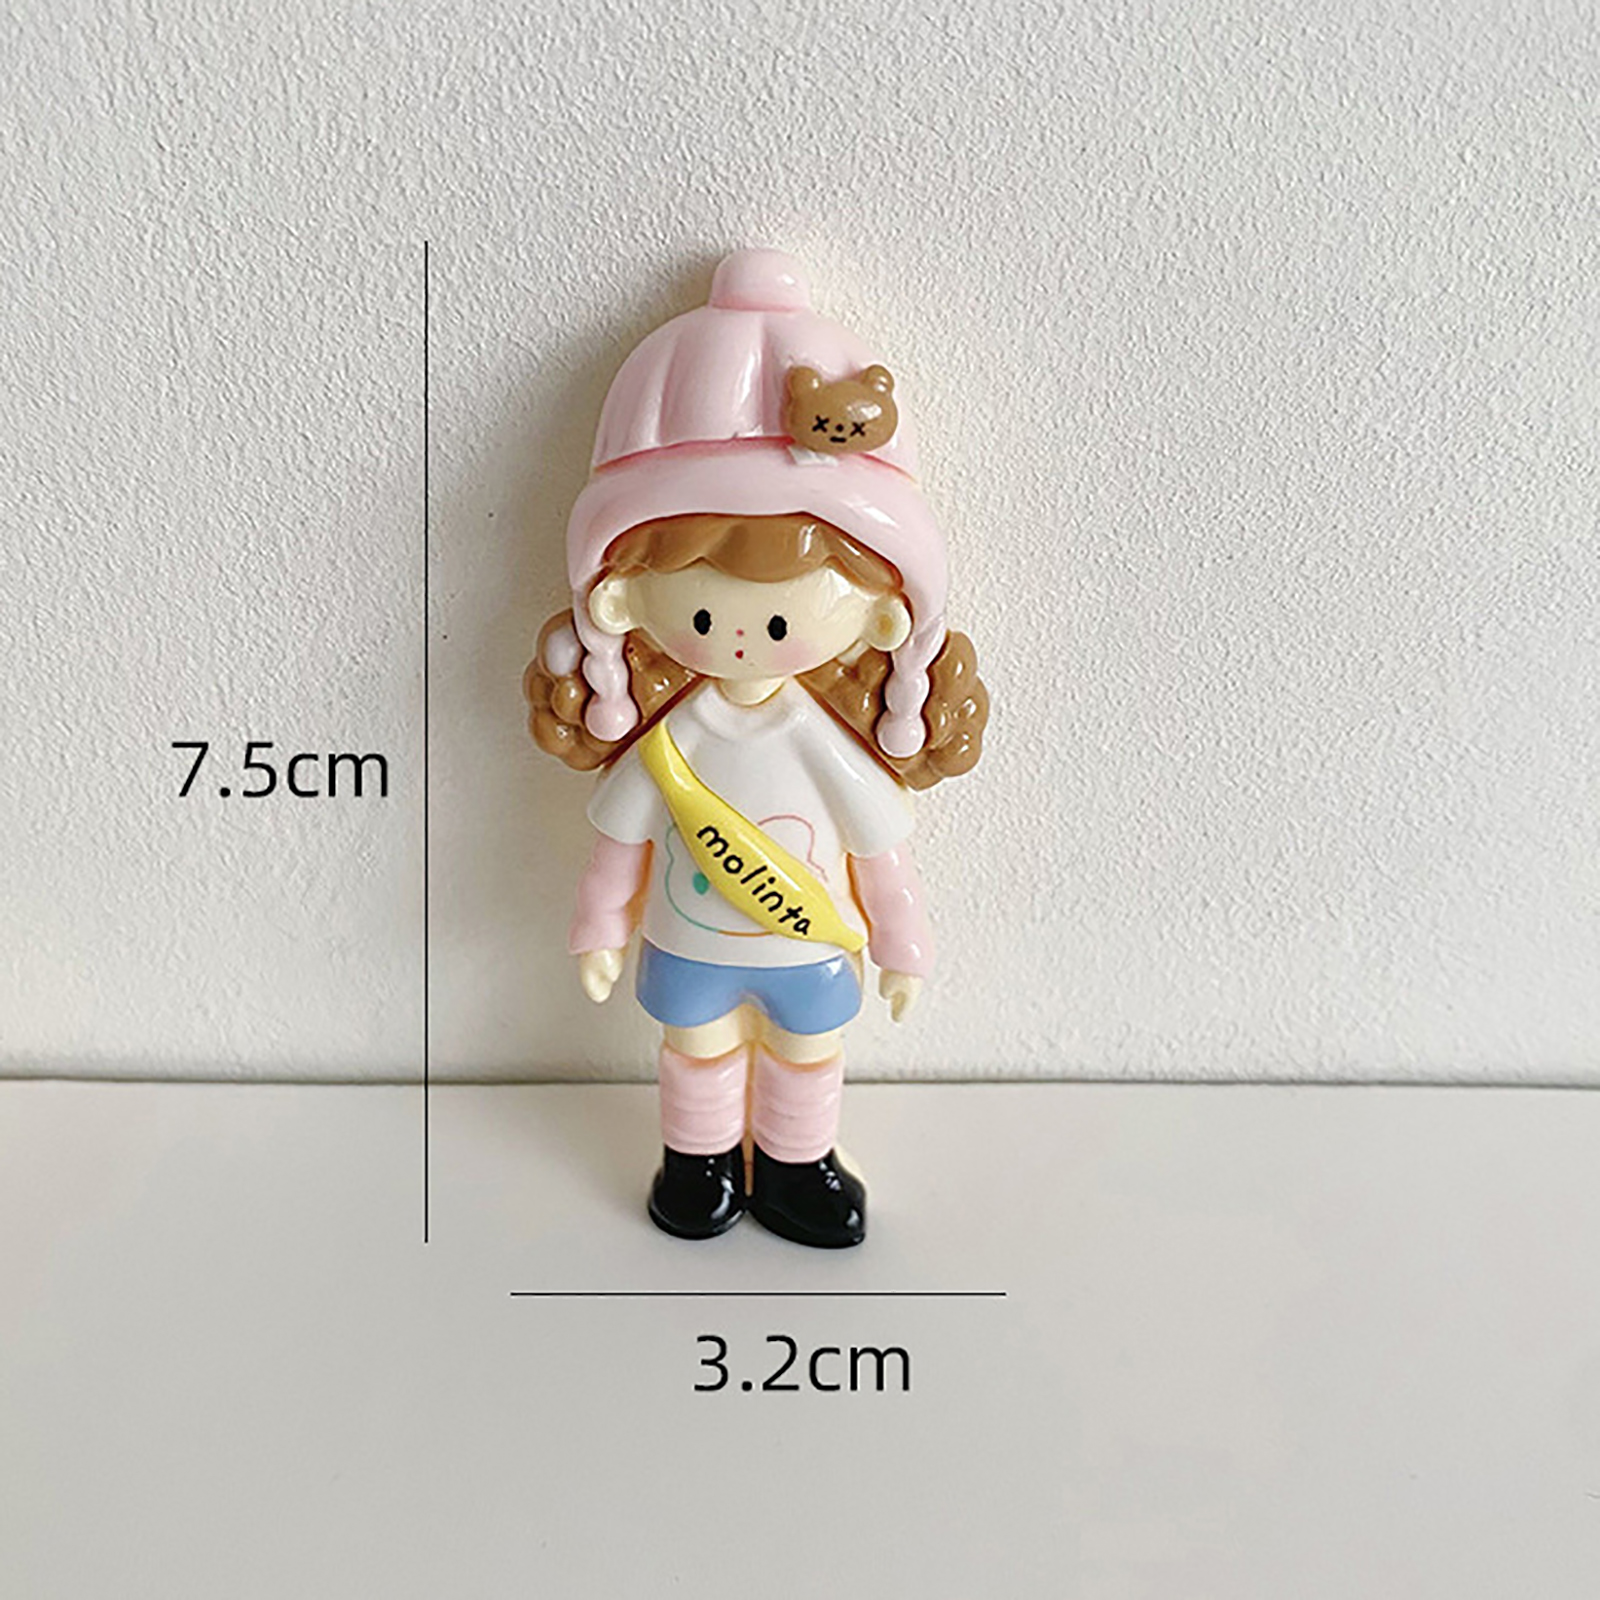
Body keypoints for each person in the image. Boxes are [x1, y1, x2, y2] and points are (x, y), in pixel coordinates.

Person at [525, 249, 989, 1247]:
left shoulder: (824, 746)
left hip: (806, 948)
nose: (739, 637)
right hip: (687, 947)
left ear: (879, 615)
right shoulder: (670, 741)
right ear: (622, 601)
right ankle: (695, 1164)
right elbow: (618, 849)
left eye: (780, 618)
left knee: (807, 1053)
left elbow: (881, 859)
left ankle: (794, 1166)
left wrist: (902, 944)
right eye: (701, 609)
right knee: (693, 1050)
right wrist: (598, 926)